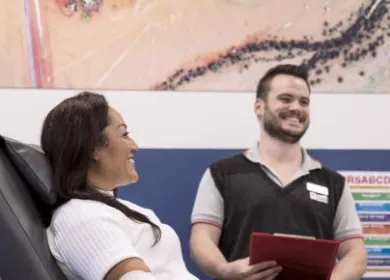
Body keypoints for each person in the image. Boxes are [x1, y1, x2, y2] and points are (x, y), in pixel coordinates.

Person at [189, 64, 367, 280]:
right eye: (285, 99)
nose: (296, 108)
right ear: (259, 107)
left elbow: (355, 253)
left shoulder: (334, 183)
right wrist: (225, 270)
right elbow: (201, 240)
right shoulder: (222, 174)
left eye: (304, 102)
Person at [41, 91, 199, 280]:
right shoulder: (82, 216)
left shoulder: (110, 209)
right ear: (93, 148)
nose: (134, 145)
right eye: (124, 134)